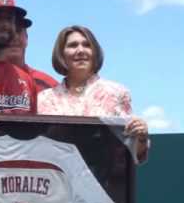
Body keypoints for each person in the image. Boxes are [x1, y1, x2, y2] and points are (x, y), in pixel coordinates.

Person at [37, 25, 149, 162]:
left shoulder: (117, 93)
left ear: (95, 52)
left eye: (87, 45)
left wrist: (141, 137)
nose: (80, 50)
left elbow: (132, 153)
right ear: (61, 55)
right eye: (73, 45)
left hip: (103, 179)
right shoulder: (44, 99)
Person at [5, 16, 58, 94]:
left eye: (18, 31)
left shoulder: (47, 86)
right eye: (8, 32)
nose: (14, 37)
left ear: (26, 38)